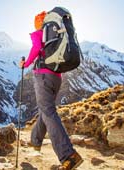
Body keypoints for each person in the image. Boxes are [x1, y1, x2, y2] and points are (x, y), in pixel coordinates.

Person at [19, 11, 83, 170]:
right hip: (56, 77)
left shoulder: (39, 33)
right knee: (46, 109)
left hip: (42, 76)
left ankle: (68, 156)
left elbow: (36, 48)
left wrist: (25, 64)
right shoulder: (55, 34)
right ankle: (35, 140)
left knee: (47, 111)